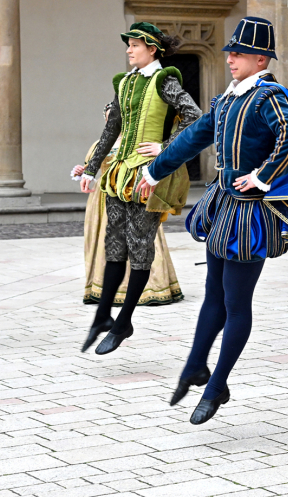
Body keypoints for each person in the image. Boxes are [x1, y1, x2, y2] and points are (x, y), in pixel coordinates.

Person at [139, 16, 288, 424]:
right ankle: (195, 366)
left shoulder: (271, 97)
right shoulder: (227, 100)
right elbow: (191, 137)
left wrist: (263, 176)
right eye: (229, 52)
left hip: (251, 213)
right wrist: (154, 171)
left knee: (236, 302)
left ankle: (217, 386)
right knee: (213, 293)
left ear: (260, 59)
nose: (230, 58)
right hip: (224, 206)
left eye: (239, 53)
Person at [79, 23, 201, 355]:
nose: (129, 50)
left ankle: (124, 321)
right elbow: (112, 128)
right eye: (128, 45)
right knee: (114, 245)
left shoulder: (166, 80)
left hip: (148, 174)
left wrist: (165, 146)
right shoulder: (126, 82)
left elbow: (196, 117)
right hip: (120, 174)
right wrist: (91, 169)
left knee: (140, 246)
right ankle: (105, 316)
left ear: (152, 49)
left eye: (134, 45)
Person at [72, 103, 183, 307]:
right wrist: (82, 171)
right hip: (102, 200)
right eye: (109, 118)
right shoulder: (100, 144)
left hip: (132, 195)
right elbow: (91, 169)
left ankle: (149, 288)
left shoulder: (139, 143)